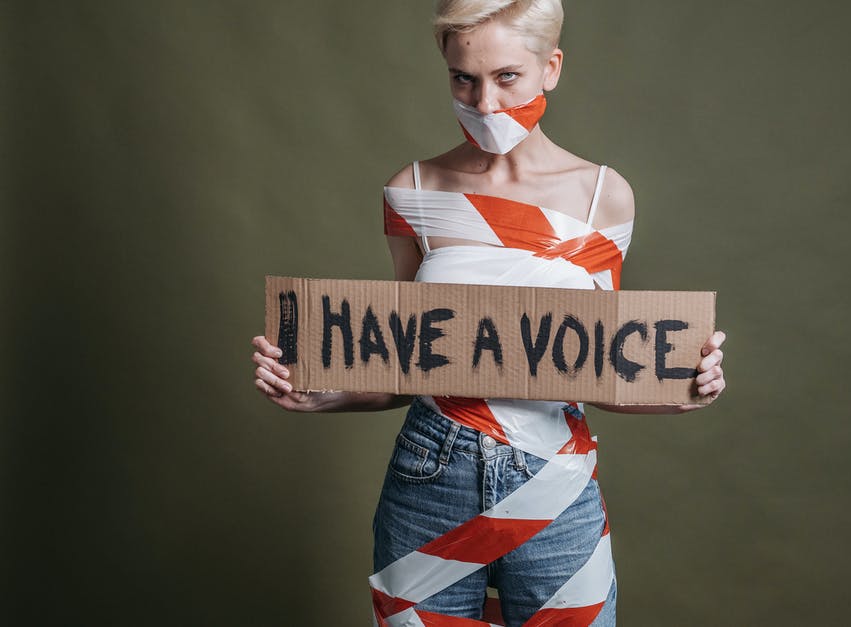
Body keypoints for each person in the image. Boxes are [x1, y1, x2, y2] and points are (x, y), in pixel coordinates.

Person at [250, 1, 726, 624]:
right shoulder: (413, 190)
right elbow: (405, 362)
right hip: (429, 474)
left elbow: (603, 370)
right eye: (464, 79)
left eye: (507, 77)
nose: (485, 102)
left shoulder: (601, 197)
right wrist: (324, 394)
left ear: (550, 68)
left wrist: (682, 386)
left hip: (556, 474)